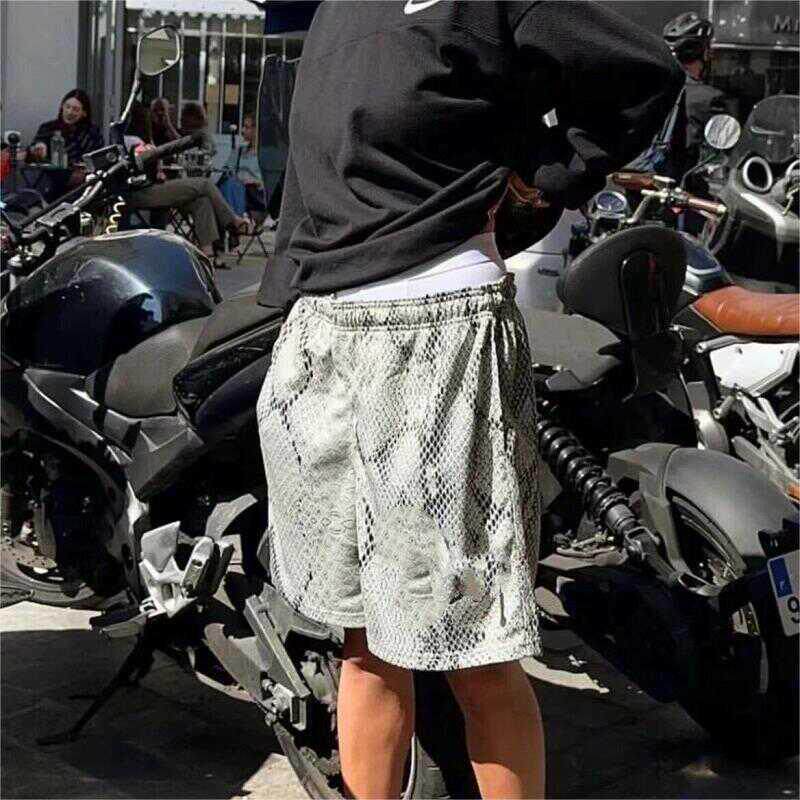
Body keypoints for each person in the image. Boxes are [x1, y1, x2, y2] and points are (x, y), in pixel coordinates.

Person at [255, 2, 683, 799]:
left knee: (474, 651)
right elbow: (312, 175)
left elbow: (642, 74)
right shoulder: (334, 11)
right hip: (323, 334)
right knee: (362, 643)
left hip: (438, 326)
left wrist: (546, 177)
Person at [662, 12, 733, 178]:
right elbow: (725, 149)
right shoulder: (710, 99)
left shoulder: (653, 87)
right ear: (704, 53)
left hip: (635, 178)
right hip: (678, 184)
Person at [27, 89, 104, 196]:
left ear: (84, 113)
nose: (70, 112)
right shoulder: (49, 128)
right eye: (67, 107)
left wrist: (84, 172)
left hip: (86, 183)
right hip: (55, 182)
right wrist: (39, 148)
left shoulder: (92, 132)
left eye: (75, 109)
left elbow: (98, 157)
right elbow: (36, 147)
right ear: (62, 107)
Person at [219, 112, 267, 217]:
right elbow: (226, 170)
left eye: (247, 127)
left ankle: (235, 219)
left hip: (254, 194)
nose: (242, 131)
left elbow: (270, 183)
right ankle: (235, 219)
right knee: (228, 184)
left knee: (233, 186)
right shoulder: (239, 151)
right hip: (236, 190)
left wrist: (256, 181)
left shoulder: (267, 154)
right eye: (243, 127)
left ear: (256, 130)